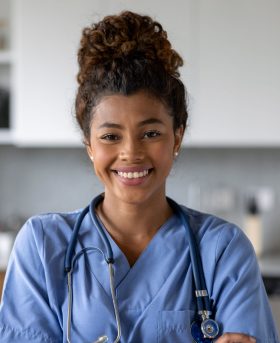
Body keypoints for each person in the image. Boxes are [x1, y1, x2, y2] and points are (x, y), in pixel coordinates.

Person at [0, 10, 279, 343]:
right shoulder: (42, 245)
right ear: (89, 144)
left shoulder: (222, 250)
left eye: (150, 133)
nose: (130, 152)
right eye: (110, 136)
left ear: (177, 137)